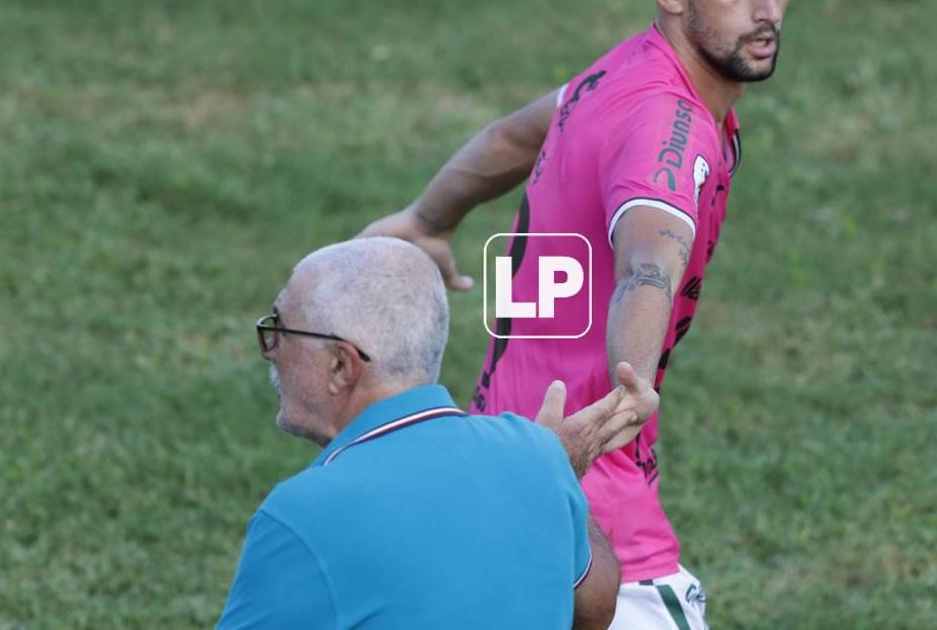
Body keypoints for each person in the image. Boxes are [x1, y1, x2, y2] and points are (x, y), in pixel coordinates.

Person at [357, 0, 793, 628]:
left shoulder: (615, 76)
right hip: (593, 515)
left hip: (498, 470)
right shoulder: (672, 125)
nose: (767, 10)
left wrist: (428, 218)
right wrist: (633, 384)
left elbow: (510, 137)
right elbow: (649, 259)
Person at [218, 237, 657, 629]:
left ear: (341, 366)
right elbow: (596, 609)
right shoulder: (536, 456)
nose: (271, 351)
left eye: (281, 329)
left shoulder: (300, 516)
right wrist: (555, 472)